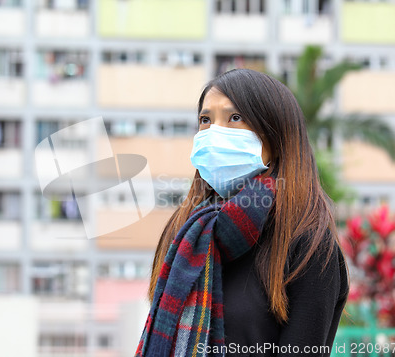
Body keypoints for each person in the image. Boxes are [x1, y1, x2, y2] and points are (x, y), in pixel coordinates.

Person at [135, 68, 350, 357]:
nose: (214, 133)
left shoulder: (307, 243)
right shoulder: (187, 232)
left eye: (235, 118)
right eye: (205, 120)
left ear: (276, 137)